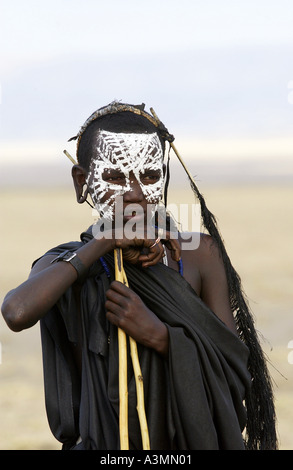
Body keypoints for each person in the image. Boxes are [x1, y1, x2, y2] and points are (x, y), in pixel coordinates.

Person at [1, 101, 277, 450]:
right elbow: (17, 312)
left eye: (148, 176)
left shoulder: (197, 254)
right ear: (82, 182)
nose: (133, 193)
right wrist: (105, 241)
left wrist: (161, 337)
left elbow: (235, 375)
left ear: (164, 178)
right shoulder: (68, 265)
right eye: (115, 177)